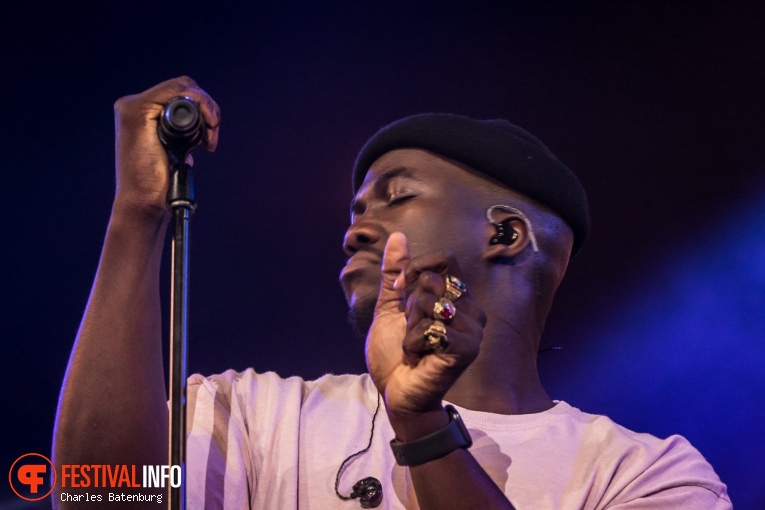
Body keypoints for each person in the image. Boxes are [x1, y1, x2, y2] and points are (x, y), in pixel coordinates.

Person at [53, 76, 731, 509]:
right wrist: (137, 214)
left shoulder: (645, 475)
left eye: (396, 197)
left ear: (506, 233)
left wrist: (420, 426)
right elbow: (99, 497)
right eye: (353, 214)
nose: (353, 232)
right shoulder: (249, 414)